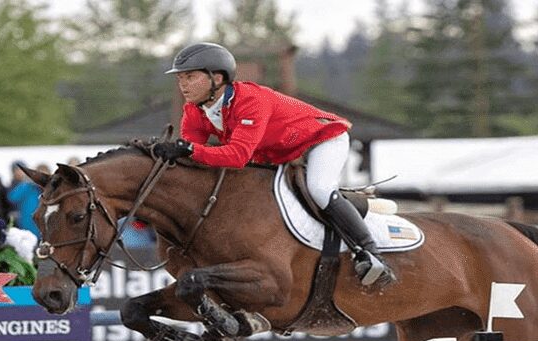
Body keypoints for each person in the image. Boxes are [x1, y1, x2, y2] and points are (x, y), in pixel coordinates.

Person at [154, 42, 392, 286]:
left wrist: (190, 150)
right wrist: (167, 154)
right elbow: (193, 157)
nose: (182, 84)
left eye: (190, 77)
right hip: (277, 154)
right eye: (180, 78)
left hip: (320, 140)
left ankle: (371, 255)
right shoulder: (194, 110)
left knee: (319, 188)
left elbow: (236, 157)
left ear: (217, 77)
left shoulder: (249, 100)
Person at [8, 161, 41, 236]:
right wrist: (26, 184)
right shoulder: (16, 185)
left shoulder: (37, 186)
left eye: (22, 170)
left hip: (38, 224)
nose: (20, 173)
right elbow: (12, 198)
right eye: (17, 170)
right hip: (25, 224)